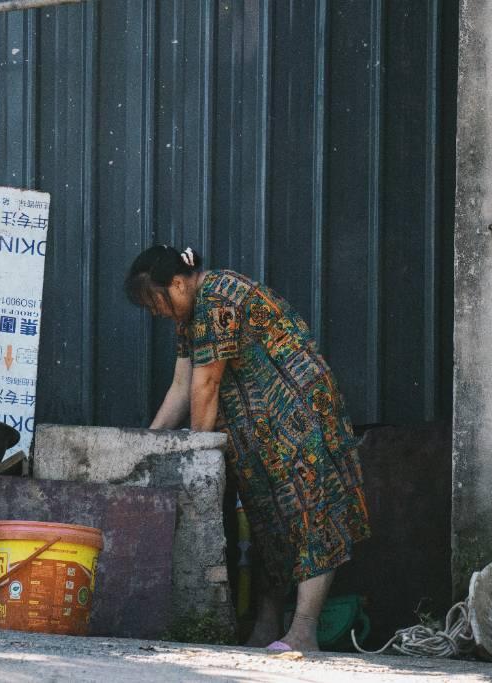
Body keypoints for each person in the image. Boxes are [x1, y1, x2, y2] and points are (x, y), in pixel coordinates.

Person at [124, 244, 371, 652]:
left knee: (310, 512)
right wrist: (147, 444)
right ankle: (266, 626)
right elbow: (182, 386)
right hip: (257, 430)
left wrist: (200, 452)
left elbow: (207, 385)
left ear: (180, 283)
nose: (156, 312)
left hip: (297, 413)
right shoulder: (189, 318)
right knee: (267, 522)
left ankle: (304, 630)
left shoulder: (218, 297)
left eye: (156, 302)